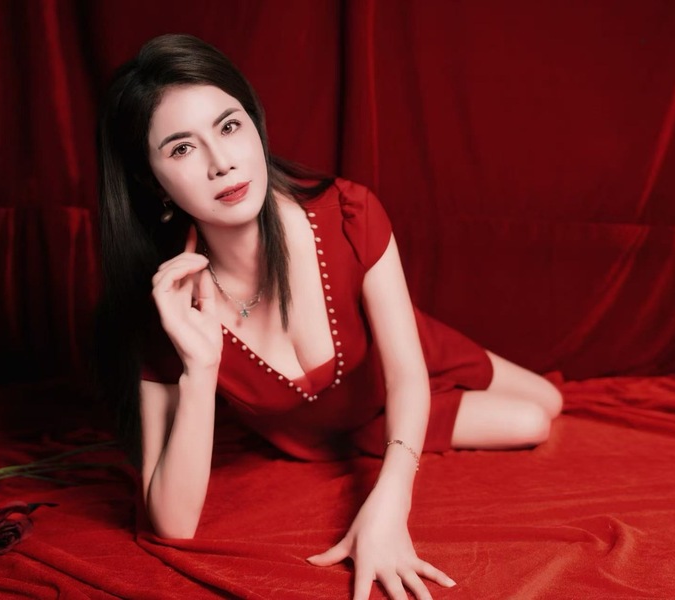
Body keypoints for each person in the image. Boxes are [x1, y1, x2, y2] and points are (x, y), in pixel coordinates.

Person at [95, 33, 562, 600]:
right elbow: (171, 524)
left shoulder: (348, 212)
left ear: (255, 126)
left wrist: (389, 504)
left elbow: (407, 375)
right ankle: (373, 431)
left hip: (406, 359)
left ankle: (394, 428)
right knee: (528, 423)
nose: (222, 163)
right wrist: (199, 369)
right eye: (181, 149)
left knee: (547, 403)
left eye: (229, 126)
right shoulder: (171, 303)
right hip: (342, 430)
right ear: (153, 181)